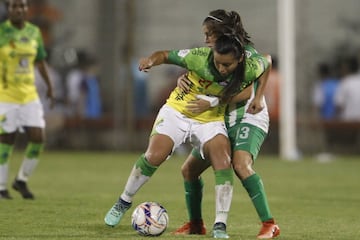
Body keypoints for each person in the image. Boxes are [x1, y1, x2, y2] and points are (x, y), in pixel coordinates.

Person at [104, 33, 264, 238]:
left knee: (223, 161)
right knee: (154, 156)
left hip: (211, 120)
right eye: (218, 63)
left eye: (227, 65)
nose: (222, 69)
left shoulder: (249, 67)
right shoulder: (199, 57)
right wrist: (150, 61)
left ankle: (220, 225)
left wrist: (215, 102)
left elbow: (249, 88)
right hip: (178, 111)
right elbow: (164, 55)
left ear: (239, 59)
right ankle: (123, 202)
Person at [172, 10, 280, 239]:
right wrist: (184, 78)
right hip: (220, 117)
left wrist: (259, 97)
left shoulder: (244, 53)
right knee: (189, 170)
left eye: (209, 33)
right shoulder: (213, 55)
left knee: (240, 165)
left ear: (222, 33)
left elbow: (253, 80)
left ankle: (269, 224)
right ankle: (195, 224)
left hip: (247, 116)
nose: (206, 38)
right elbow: (201, 73)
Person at [0, 0, 54, 199]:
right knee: (7, 139)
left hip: (29, 95)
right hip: (5, 96)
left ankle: (21, 179)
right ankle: (1, 186)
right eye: (15, 6)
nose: (19, 9)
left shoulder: (34, 32)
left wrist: (50, 86)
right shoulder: (2, 32)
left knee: (38, 137)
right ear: (9, 9)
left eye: (22, 5)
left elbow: (40, 60)